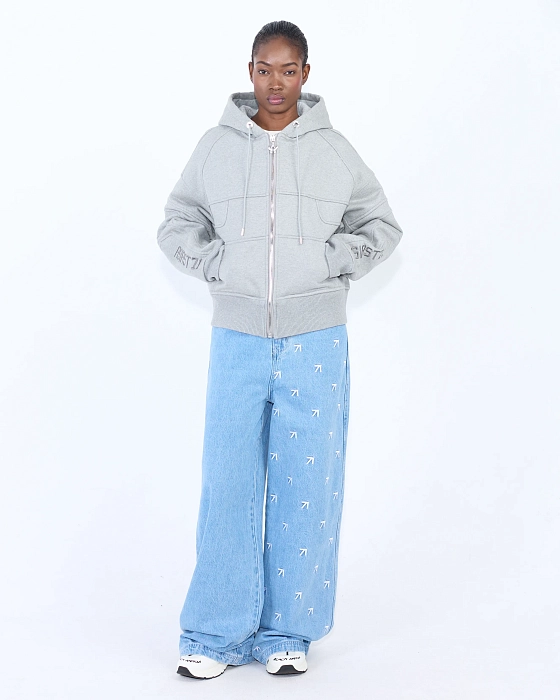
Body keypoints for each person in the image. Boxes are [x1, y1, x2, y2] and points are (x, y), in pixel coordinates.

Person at [156, 20, 403, 680]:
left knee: (306, 485)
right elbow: (177, 221)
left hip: (314, 339)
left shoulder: (334, 151)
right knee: (228, 483)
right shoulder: (215, 147)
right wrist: (215, 265)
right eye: (264, 69)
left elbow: (381, 225)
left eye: (288, 70)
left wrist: (330, 261)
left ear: (305, 75)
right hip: (237, 339)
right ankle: (214, 632)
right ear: (250, 72)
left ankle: (287, 630)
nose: (275, 82)